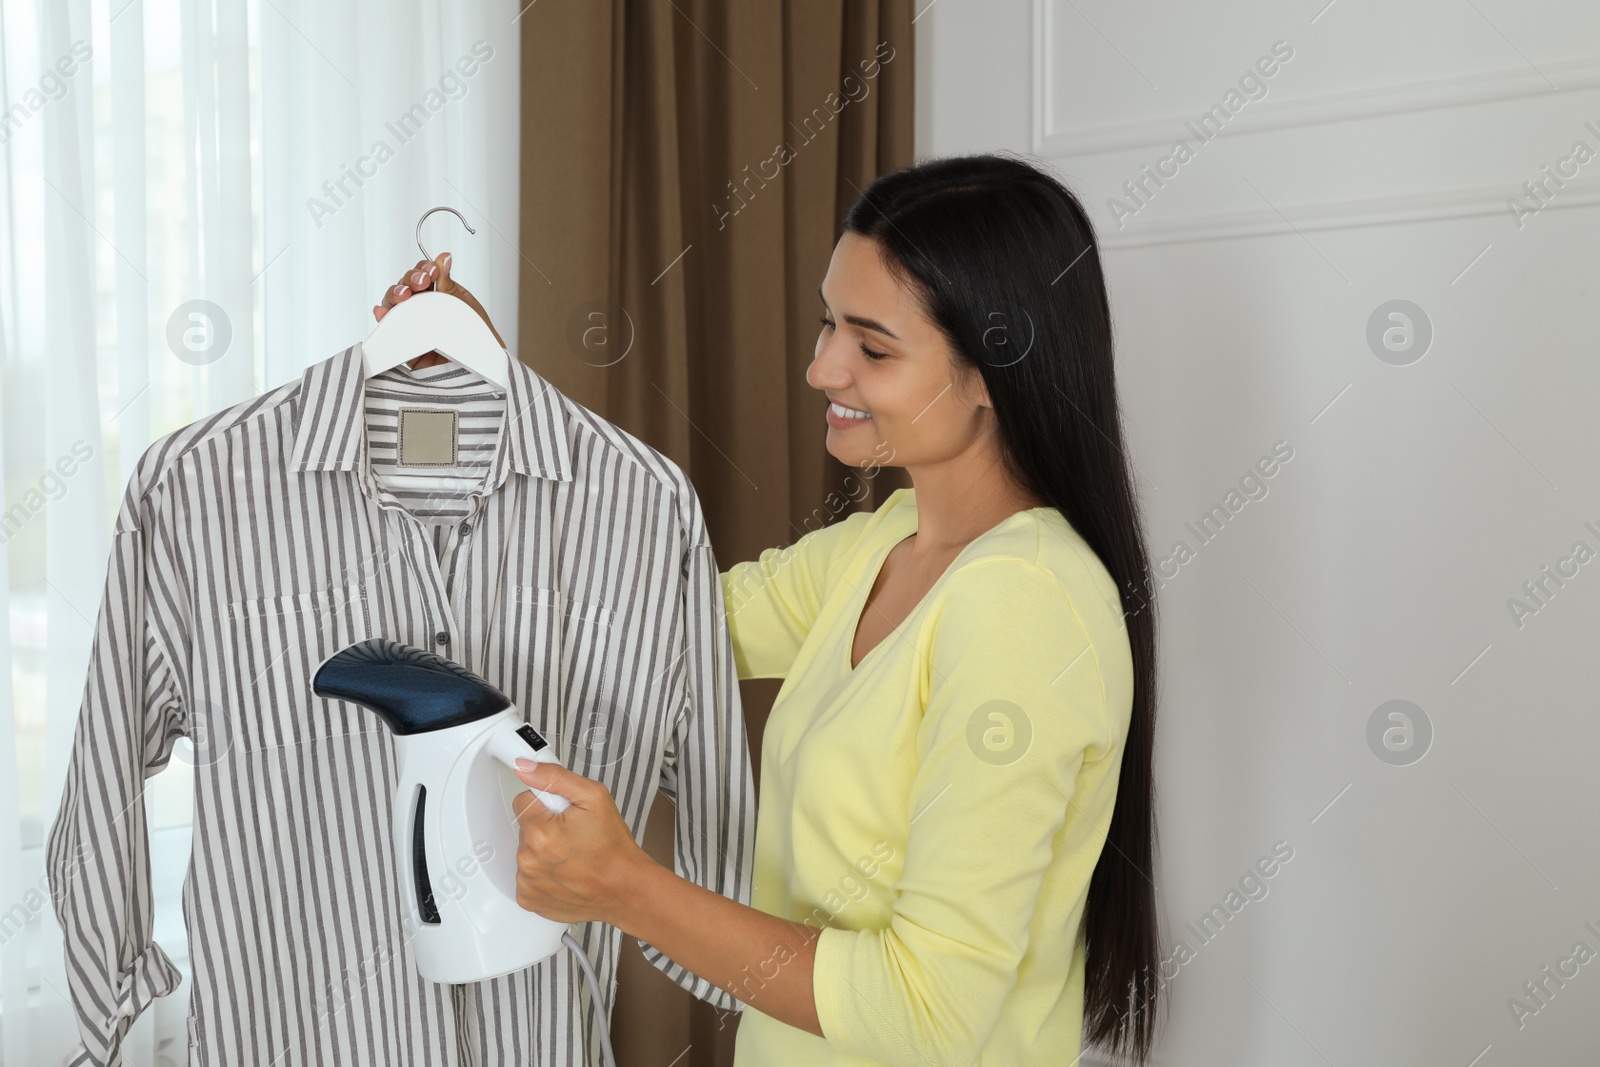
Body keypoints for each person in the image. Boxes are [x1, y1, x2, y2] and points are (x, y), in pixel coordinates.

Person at [375, 152, 1162, 1066]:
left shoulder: (1026, 611)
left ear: (996, 369)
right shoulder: (888, 541)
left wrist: (625, 885)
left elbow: (928, 1011)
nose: (821, 367)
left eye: (873, 346)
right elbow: (643, 616)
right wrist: (504, 404)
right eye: (828, 322)